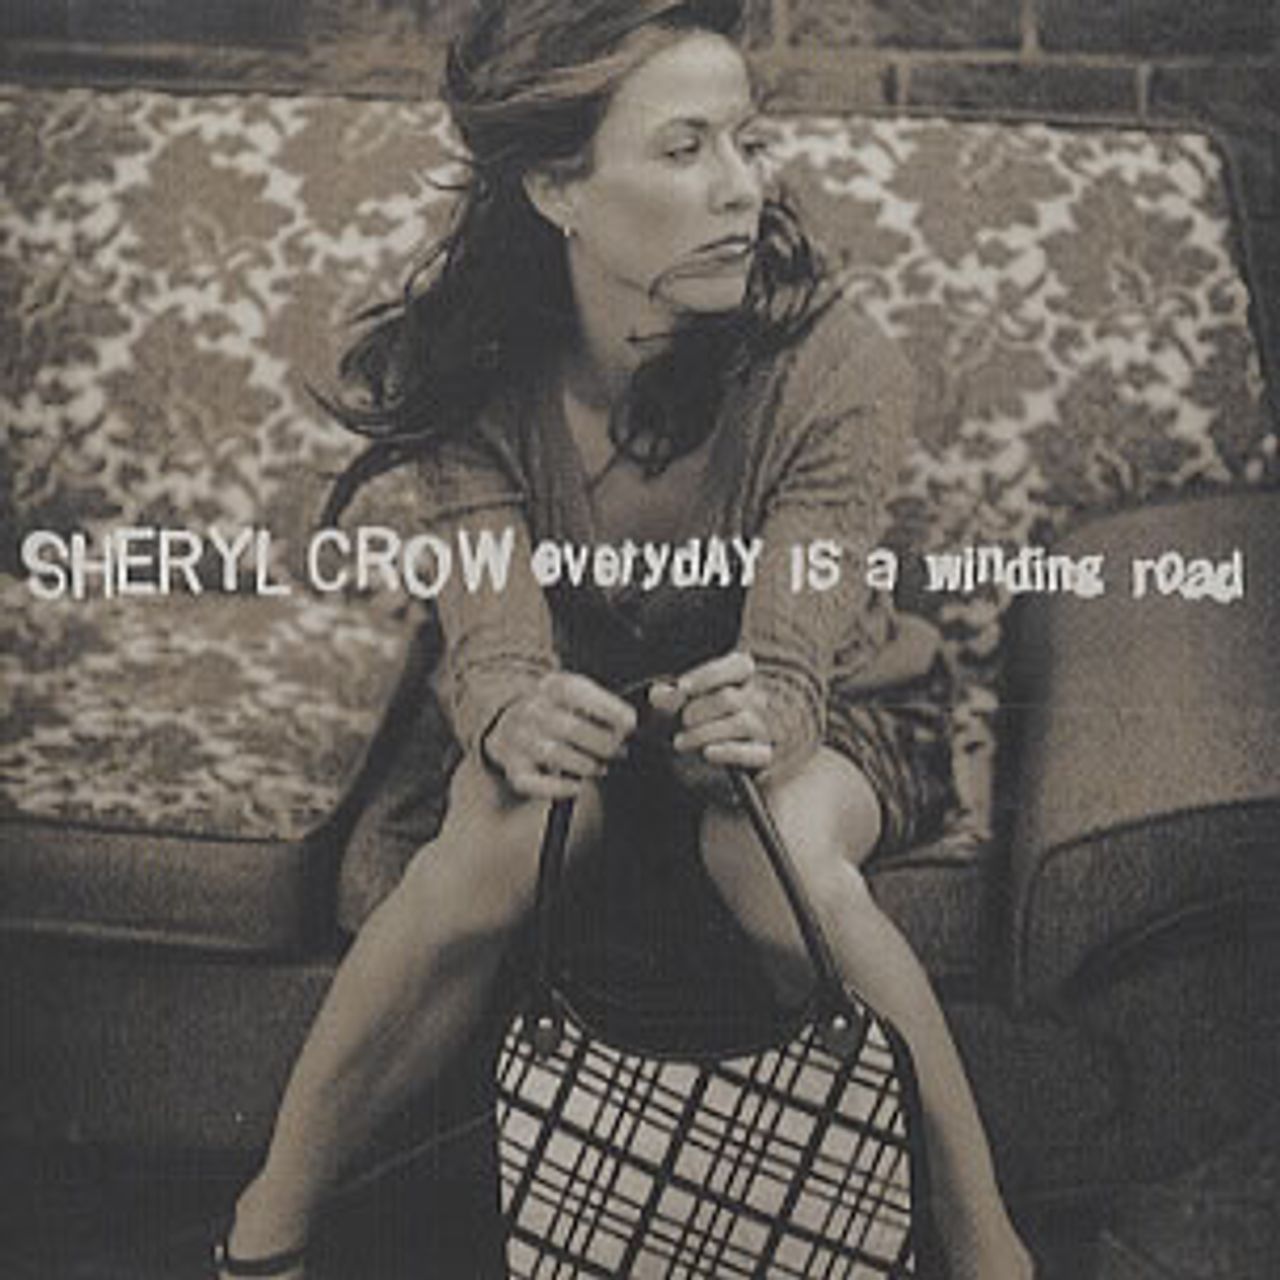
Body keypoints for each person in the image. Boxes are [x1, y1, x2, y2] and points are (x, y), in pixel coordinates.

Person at [217, 1, 1034, 1276]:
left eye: (744, 141)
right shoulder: (472, 374)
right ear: (556, 188)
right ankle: (265, 1229)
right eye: (683, 147)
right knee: (493, 838)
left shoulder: (832, 364)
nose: (740, 187)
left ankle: (986, 1241)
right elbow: (493, 639)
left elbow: (795, 651)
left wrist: (762, 714)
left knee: (774, 850)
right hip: (583, 708)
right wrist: (510, 715)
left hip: (827, 699)